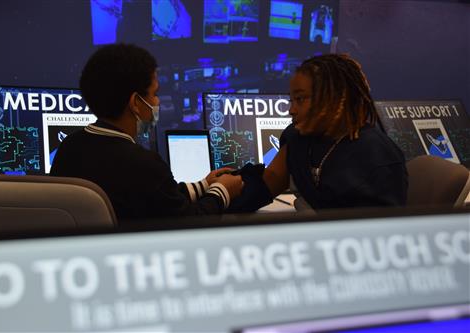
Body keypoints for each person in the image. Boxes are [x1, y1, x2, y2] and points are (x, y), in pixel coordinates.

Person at [50, 44, 243, 223]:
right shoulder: (144, 164)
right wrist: (223, 190)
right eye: (154, 93)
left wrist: (204, 184)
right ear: (135, 102)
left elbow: (161, 198)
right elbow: (188, 221)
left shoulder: (69, 147)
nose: (157, 102)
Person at [234, 54, 408, 212]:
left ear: (334, 98)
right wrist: (220, 195)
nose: (291, 110)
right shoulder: (297, 138)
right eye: (291, 100)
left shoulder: (378, 157)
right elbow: (269, 181)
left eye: (300, 99)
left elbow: (379, 234)